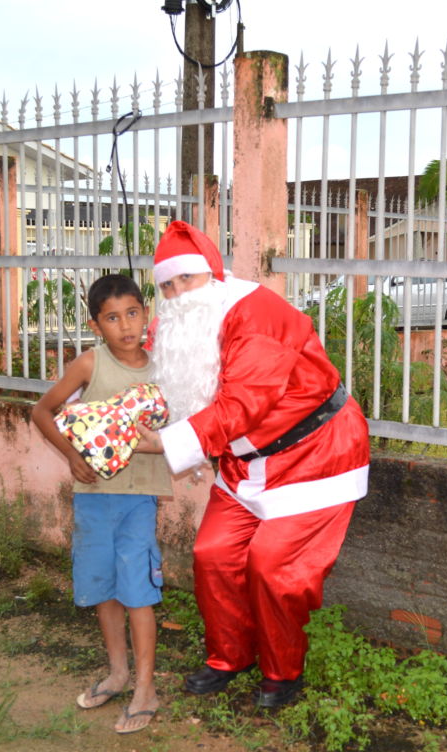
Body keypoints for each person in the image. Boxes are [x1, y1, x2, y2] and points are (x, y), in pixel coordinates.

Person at [139, 221, 370, 709]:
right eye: (167, 285)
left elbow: (244, 403)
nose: (177, 293)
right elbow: (162, 378)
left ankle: (283, 672)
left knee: (273, 566)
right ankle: (231, 656)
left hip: (315, 456)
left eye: (187, 279)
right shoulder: (176, 322)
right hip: (244, 463)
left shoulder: (257, 314)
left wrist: (166, 443)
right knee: (213, 555)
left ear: (213, 274)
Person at [31, 274, 171, 734]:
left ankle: (145, 688)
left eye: (132, 313)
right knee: (105, 590)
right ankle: (118, 673)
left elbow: (183, 430)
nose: (125, 326)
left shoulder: (165, 368)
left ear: (145, 313)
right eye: (113, 318)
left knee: (138, 592)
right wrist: (71, 456)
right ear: (97, 325)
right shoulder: (90, 364)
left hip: (137, 500)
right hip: (93, 498)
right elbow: (41, 410)